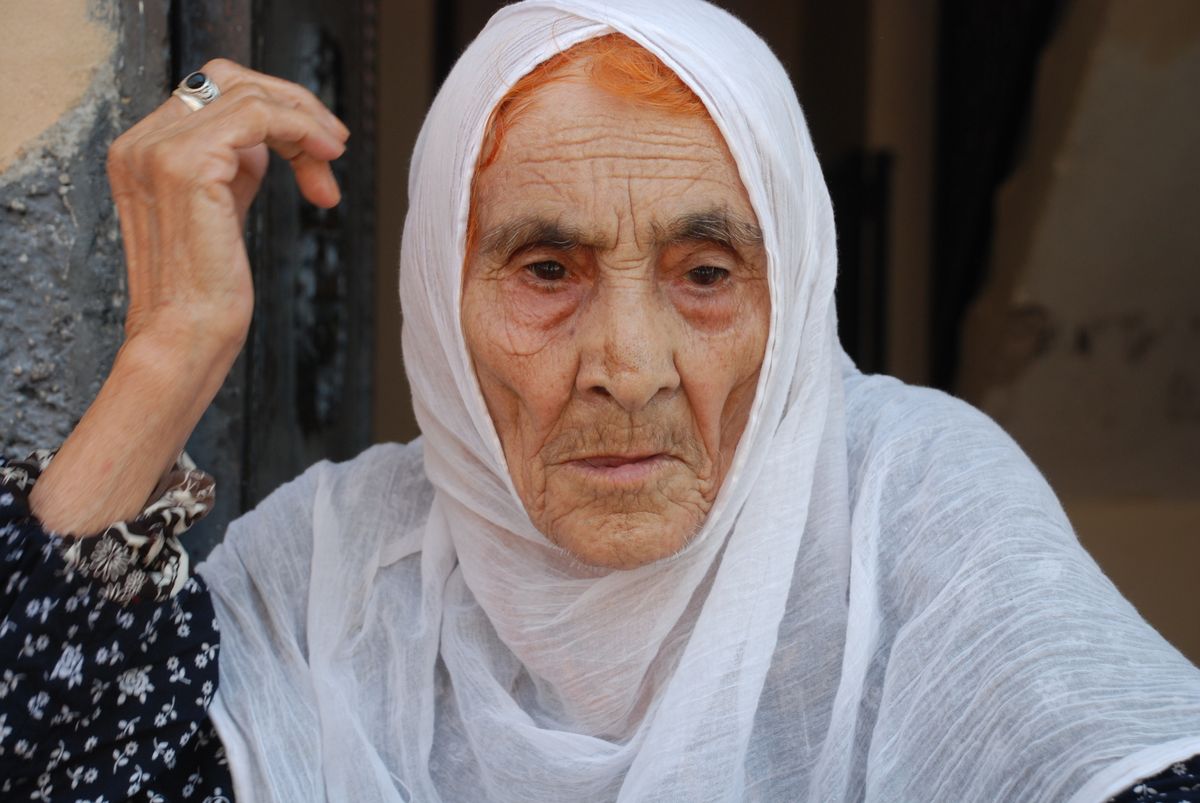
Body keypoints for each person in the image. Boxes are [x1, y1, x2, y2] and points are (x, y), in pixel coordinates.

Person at [3, 1, 1199, 800]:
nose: (627, 364)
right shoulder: (345, 579)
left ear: (795, 303)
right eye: (545, 269)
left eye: (708, 273)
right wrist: (167, 352)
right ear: (437, 297)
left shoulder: (906, 512)